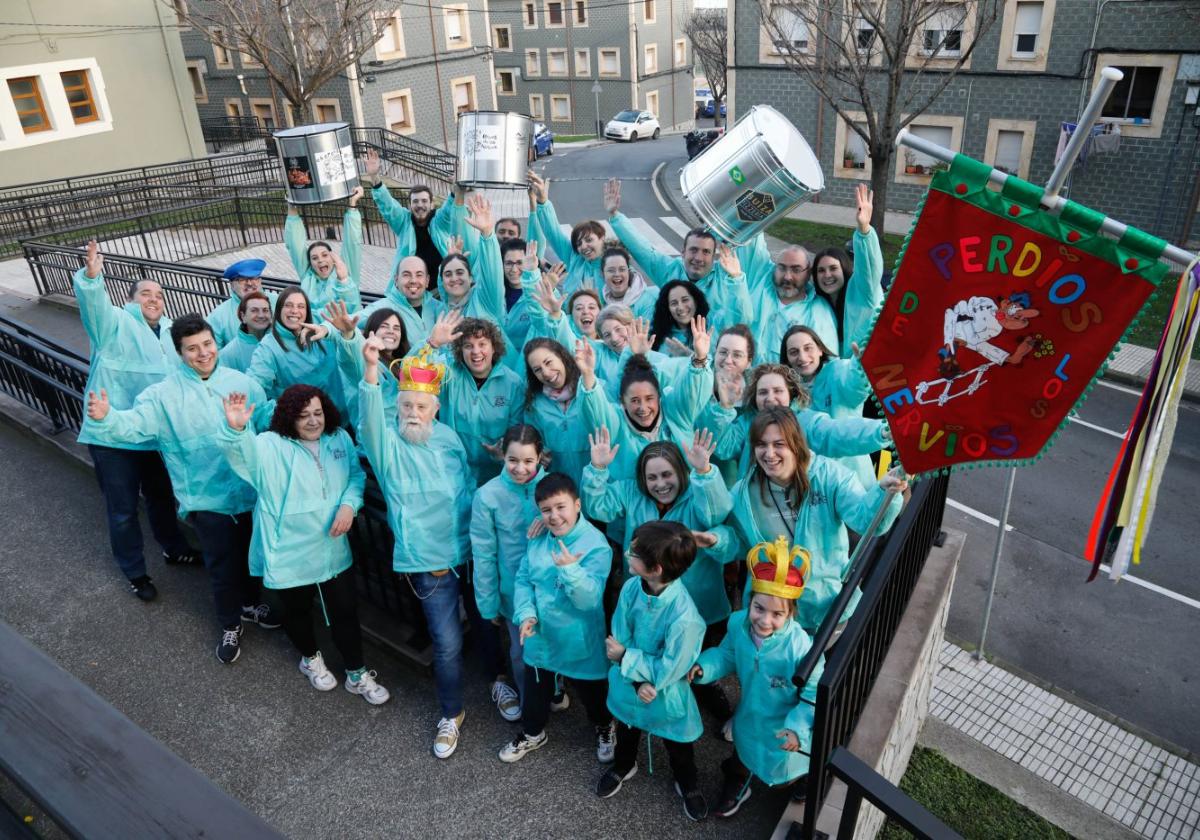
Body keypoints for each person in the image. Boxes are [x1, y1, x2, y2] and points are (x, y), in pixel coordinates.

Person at [84, 314, 276, 664]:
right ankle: (229, 623)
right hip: (206, 498)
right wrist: (108, 418)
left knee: (252, 559)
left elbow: (263, 419)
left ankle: (249, 605)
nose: (203, 353)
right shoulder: (162, 395)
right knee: (221, 566)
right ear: (179, 352)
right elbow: (135, 424)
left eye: (207, 344)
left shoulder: (242, 382)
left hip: (249, 492)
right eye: (192, 348)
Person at [220, 386, 389, 704]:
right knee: (296, 610)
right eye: (303, 415)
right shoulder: (269, 445)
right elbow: (243, 459)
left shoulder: (338, 439)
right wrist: (236, 429)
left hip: (331, 546)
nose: (313, 421)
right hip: (289, 548)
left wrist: (350, 506)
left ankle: (357, 673)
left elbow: (355, 477)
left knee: (345, 612)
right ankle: (310, 658)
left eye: (318, 413)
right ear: (288, 417)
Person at [358, 337, 473, 758]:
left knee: (484, 626)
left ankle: (499, 686)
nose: (412, 413)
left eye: (421, 406)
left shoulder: (449, 438)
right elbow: (370, 419)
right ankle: (451, 712)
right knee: (446, 643)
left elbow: (468, 487)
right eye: (406, 406)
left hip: (471, 554)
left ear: (435, 408)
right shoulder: (388, 444)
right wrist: (371, 372)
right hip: (430, 562)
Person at [582, 430, 737, 721]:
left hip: (699, 603)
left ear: (681, 471)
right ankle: (654, 703)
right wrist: (598, 469)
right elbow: (597, 507)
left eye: (667, 475)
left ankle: (707, 692)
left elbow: (722, 521)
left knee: (693, 661)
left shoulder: (698, 493)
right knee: (655, 657)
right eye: (652, 478)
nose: (660, 484)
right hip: (649, 604)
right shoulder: (631, 492)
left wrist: (713, 536)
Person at [73, 240, 197, 601]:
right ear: (130, 300)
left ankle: (173, 548)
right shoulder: (115, 324)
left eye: (159, 294)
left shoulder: (172, 334)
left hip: (153, 435)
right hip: (112, 436)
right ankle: (135, 572)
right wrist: (93, 278)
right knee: (123, 510)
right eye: (145, 293)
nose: (154, 298)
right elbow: (94, 309)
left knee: (161, 497)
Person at [725, 408, 905, 633]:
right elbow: (734, 540)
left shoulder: (829, 476)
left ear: (795, 442)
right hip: (770, 615)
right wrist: (714, 539)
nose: (769, 454)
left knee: (817, 667)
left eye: (778, 444)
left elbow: (866, 520)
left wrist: (884, 492)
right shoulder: (743, 492)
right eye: (762, 445)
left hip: (824, 608)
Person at [690, 541, 824, 817]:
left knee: (786, 768)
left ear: (791, 614)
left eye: (777, 614)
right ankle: (739, 781)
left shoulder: (802, 648)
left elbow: (812, 695)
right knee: (744, 751)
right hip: (750, 712)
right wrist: (704, 667)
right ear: (749, 601)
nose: (764, 620)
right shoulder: (738, 625)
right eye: (758, 608)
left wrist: (796, 729)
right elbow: (726, 654)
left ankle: (803, 778)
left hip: (786, 722)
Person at [499, 472, 616, 764]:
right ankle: (532, 732)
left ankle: (605, 726)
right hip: (541, 634)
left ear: (577, 504)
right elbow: (524, 579)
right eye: (546, 510)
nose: (554, 516)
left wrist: (570, 570)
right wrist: (525, 613)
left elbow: (589, 600)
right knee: (536, 686)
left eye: (560, 507)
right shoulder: (539, 538)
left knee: (591, 691)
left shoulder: (596, 545)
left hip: (579, 636)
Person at [598, 521, 708, 822]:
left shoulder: (685, 618)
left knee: (678, 743)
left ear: (656, 568)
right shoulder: (633, 586)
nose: (627, 554)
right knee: (628, 726)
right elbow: (620, 633)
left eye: (634, 552)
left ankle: (688, 785)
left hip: (664, 690)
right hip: (633, 683)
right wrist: (635, 679)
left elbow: (672, 667)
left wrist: (629, 662)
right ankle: (624, 764)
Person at [470, 424, 547, 722]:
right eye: (513, 460)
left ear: (540, 457)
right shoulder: (487, 496)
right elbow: (484, 554)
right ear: (502, 455)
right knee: (521, 651)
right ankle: (531, 710)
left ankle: (551, 690)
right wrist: (488, 603)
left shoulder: (552, 486)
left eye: (528, 461)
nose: (520, 468)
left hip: (551, 588)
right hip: (514, 591)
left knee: (552, 646)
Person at [576, 316, 713, 481]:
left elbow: (691, 393)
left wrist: (700, 359)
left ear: (659, 396)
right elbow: (596, 413)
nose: (643, 407)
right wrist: (588, 374)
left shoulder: (674, 413)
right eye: (634, 400)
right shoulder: (616, 425)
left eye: (649, 398)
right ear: (622, 402)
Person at [708, 363, 888, 477]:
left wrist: (883, 431)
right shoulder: (747, 423)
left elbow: (837, 433)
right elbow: (724, 448)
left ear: (791, 395)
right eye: (763, 392)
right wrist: (724, 407)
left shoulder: (805, 421)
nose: (770, 398)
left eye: (778, 391)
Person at [604, 178, 751, 317]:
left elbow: (743, 318)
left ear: (714, 258)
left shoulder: (727, 278)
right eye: (693, 250)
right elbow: (642, 249)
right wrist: (615, 216)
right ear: (683, 253)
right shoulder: (670, 271)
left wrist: (737, 279)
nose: (698, 258)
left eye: (706, 252)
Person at [425, 311, 525, 486]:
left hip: (497, 475)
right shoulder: (449, 374)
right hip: (454, 471)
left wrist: (504, 449)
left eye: (482, 344)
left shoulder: (512, 383)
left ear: (494, 347)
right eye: (468, 346)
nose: (476, 352)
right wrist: (431, 345)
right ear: (459, 350)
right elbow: (415, 374)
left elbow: (517, 428)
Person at [781, 325, 875, 487]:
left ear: (820, 350)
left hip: (853, 470)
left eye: (808, 348)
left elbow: (854, 386)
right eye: (794, 352)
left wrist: (860, 367)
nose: (802, 357)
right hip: (815, 480)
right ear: (787, 359)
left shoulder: (837, 370)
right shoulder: (786, 393)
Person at [810, 185, 884, 357]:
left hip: (865, 373)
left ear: (844, 269)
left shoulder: (863, 292)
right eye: (821, 270)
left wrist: (864, 231)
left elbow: (868, 268)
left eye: (833, 268)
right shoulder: (817, 303)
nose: (827, 275)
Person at [248, 287, 347, 416]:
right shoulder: (268, 346)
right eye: (288, 305)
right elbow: (255, 383)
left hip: (342, 416)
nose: (294, 311)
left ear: (307, 311)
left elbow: (349, 314)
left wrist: (344, 282)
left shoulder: (319, 326)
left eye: (301, 306)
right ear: (279, 310)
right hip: (306, 422)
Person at [324, 300, 413, 428]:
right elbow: (351, 360)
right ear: (372, 331)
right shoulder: (365, 359)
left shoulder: (400, 365)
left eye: (396, 328)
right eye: (384, 326)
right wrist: (348, 334)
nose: (391, 331)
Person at [366, 149, 447, 286]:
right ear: (409, 205)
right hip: (411, 291)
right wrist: (375, 177)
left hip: (441, 290)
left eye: (424, 201)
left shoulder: (439, 221)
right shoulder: (404, 222)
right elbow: (388, 205)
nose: (419, 205)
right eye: (415, 201)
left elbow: (450, 209)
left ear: (432, 204)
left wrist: (456, 192)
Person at [521, 338, 592, 486]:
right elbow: (534, 446)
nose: (546, 373)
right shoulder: (535, 405)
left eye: (548, 362)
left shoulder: (592, 390)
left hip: (595, 482)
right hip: (559, 489)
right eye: (537, 370)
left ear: (562, 357)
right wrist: (539, 458)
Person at [284, 187, 363, 316]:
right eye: (314, 258)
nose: (320, 260)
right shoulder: (307, 276)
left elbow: (352, 243)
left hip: (345, 329)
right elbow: (294, 244)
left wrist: (352, 204)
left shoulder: (345, 270)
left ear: (332, 257)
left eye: (325, 255)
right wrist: (292, 203)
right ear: (310, 263)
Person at [528, 172, 605, 291]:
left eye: (589, 240)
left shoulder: (613, 264)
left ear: (602, 238)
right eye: (579, 244)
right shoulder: (575, 258)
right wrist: (543, 201)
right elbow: (554, 233)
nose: (584, 246)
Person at [357, 255, 446, 350]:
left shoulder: (438, 307)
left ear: (427, 281)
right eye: (406, 275)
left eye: (419, 275)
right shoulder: (383, 307)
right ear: (396, 280)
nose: (413, 280)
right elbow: (348, 325)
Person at [208, 259, 277, 347]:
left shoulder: (279, 302)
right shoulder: (218, 317)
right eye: (242, 279)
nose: (249, 283)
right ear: (232, 285)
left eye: (253, 278)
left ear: (260, 281)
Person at [218, 290, 273, 373]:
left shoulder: (281, 341)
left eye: (265, 310)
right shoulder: (228, 355)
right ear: (243, 316)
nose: (261, 315)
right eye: (254, 310)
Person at [651, 280, 709, 356]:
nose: (680, 308)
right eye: (674, 303)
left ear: (696, 300)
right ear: (667, 308)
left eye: (685, 300)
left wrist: (689, 355)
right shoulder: (660, 335)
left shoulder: (711, 328)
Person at [598, 247, 657, 320]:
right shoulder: (601, 301)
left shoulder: (647, 299)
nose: (617, 274)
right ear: (602, 274)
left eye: (622, 269)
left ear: (628, 271)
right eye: (611, 270)